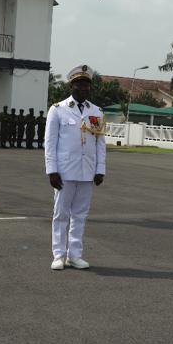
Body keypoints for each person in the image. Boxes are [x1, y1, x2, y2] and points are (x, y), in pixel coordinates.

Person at [45, 65, 106, 270]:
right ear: (72, 85)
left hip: (87, 171)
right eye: (80, 84)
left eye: (87, 84)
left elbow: (99, 143)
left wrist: (100, 169)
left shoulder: (96, 111)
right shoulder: (58, 109)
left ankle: (75, 255)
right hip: (64, 171)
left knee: (80, 215)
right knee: (61, 214)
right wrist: (51, 170)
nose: (84, 88)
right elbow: (50, 143)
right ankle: (59, 255)